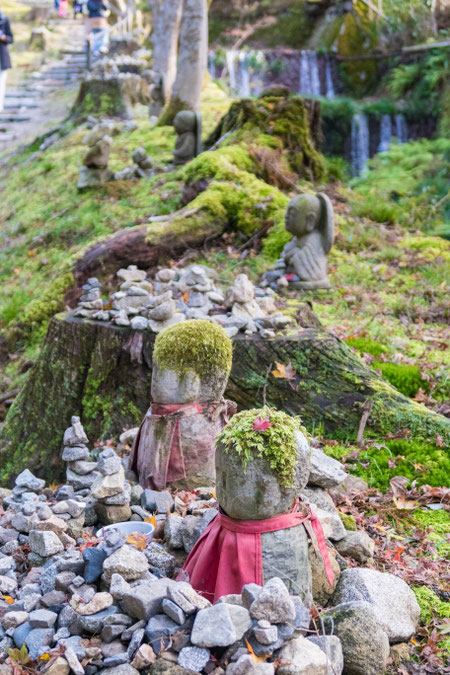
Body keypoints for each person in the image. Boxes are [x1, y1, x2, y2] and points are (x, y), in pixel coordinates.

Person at [0, 9, 13, 113]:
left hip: (2, 57)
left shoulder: (4, 20)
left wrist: (4, 38)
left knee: (1, 83)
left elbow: (11, 38)